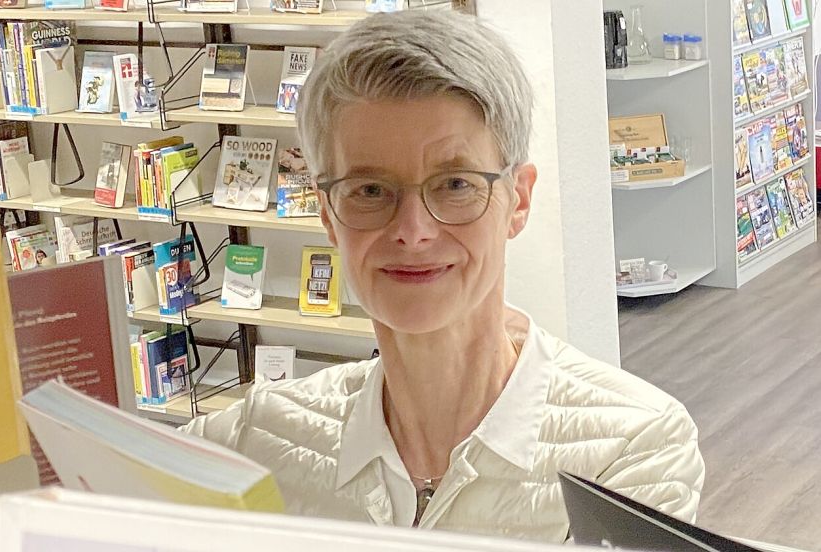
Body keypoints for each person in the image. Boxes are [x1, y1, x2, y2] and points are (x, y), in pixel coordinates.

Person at [183, 9, 704, 542]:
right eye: (369, 190)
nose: (413, 230)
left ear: (517, 201)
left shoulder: (631, 446)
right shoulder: (258, 438)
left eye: (454, 185)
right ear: (328, 216)